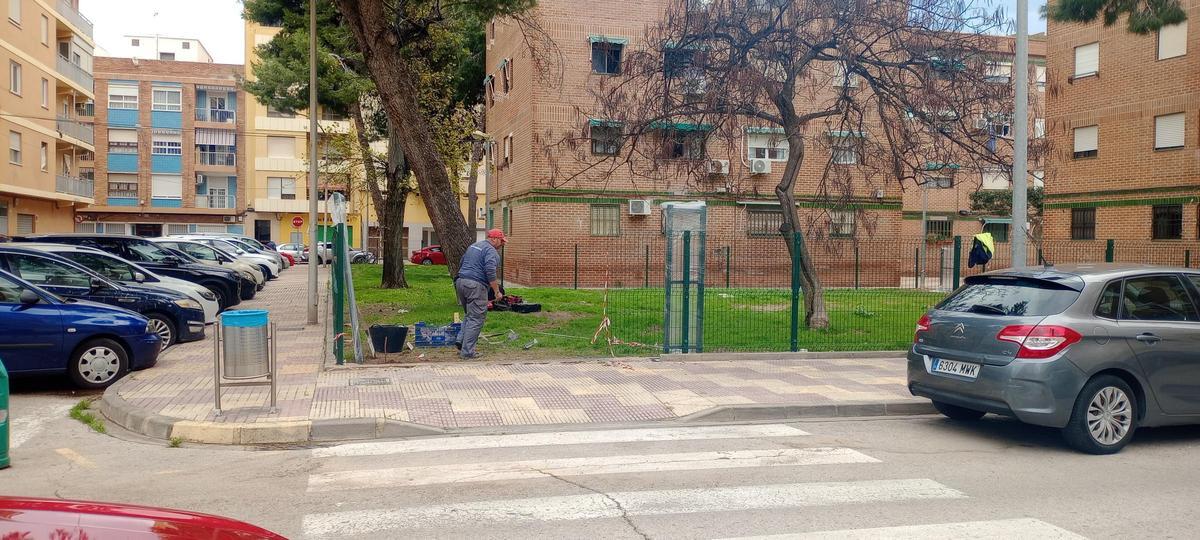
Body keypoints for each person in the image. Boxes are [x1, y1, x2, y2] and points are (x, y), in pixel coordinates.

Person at [454, 229, 506, 359]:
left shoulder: (473, 246)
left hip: (461, 282)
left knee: (470, 315)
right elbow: (490, 271)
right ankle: (467, 352)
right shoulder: (491, 251)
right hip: (475, 285)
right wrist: (496, 291)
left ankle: (461, 341)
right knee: (476, 318)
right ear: (493, 239)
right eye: (501, 241)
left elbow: (461, 263)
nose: (502, 244)